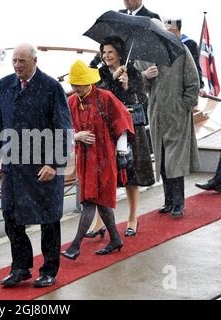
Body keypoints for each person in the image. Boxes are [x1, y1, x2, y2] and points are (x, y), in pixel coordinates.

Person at [0, 43, 72, 288]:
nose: (17, 66)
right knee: (10, 216)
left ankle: (49, 269)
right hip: (13, 167)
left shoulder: (51, 88)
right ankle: (21, 267)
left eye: (21, 62)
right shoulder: (5, 84)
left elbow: (64, 129)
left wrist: (54, 164)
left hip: (42, 166)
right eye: (14, 61)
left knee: (48, 220)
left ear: (34, 61)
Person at [61, 60, 134, 260]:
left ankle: (75, 245)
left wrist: (120, 154)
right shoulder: (71, 103)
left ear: (89, 82)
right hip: (84, 159)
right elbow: (62, 130)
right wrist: (77, 136)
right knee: (98, 202)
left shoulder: (105, 97)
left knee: (90, 201)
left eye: (80, 84)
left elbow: (123, 122)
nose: (76, 88)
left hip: (105, 158)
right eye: (74, 84)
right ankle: (116, 239)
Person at [86, 36, 155, 238]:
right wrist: (111, 81)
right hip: (106, 130)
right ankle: (100, 221)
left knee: (131, 175)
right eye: (104, 52)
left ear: (119, 54)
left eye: (110, 52)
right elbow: (95, 98)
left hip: (130, 130)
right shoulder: (97, 74)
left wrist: (127, 87)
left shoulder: (133, 72)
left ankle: (133, 218)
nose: (106, 55)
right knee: (106, 176)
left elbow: (142, 101)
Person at [136, 19, 200, 219]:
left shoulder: (180, 50)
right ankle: (168, 201)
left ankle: (179, 203)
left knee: (175, 160)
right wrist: (145, 76)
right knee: (162, 159)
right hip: (156, 115)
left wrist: (184, 106)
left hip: (176, 114)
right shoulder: (144, 56)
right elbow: (137, 86)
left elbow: (193, 82)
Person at [89, 0, 161, 69]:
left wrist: (145, 74)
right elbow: (109, 43)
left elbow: (159, 49)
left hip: (139, 70)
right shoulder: (119, 15)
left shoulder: (152, 19)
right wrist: (93, 63)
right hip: (116, 69)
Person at [163, 18, 206, 97]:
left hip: (185, 87)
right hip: (168, 89)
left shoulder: (190, 44)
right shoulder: (165, 45)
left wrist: (199, 87)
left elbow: (195, 67)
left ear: (174, 28)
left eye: (166, 27)